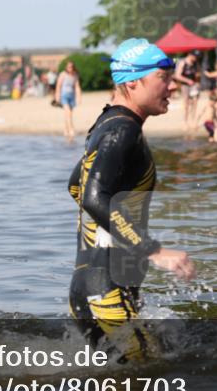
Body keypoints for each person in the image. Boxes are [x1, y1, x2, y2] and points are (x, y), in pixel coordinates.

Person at [67, 38, 194, 359]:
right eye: (163, 78)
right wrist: (154, 251)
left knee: (115, 389)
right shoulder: (122, 131)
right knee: (143, 383)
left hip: (89, 287)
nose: (172, 86)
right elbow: (94, 197)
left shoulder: (107, 124)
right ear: (133, 82)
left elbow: (76, 186)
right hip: (108, 293)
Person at [55, 61, 83, 138]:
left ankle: (65, 129)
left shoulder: (75, 75)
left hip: (72, 96)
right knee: (68, 112)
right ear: (66, 67)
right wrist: (57, 96)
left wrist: (79, 97)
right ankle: (71, 129)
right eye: (68, 67)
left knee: (67, 114)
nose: (70, 68)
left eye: (71, 67)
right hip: (64, 96)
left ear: (73, 67)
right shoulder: (62, 74)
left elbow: (77, 86)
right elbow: (58, 86)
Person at [173, 53, 200, 130]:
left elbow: (197, 74)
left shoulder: (195, 63)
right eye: (195, 56)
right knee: (186, 103)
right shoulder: (183, 62)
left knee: (195, 102)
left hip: (194, 85)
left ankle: (193, 120)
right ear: (190, 55)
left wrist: (197, 82)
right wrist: (187, 80)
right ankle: (185, 121)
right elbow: (177, 75)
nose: (196, 58)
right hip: (185, 85)